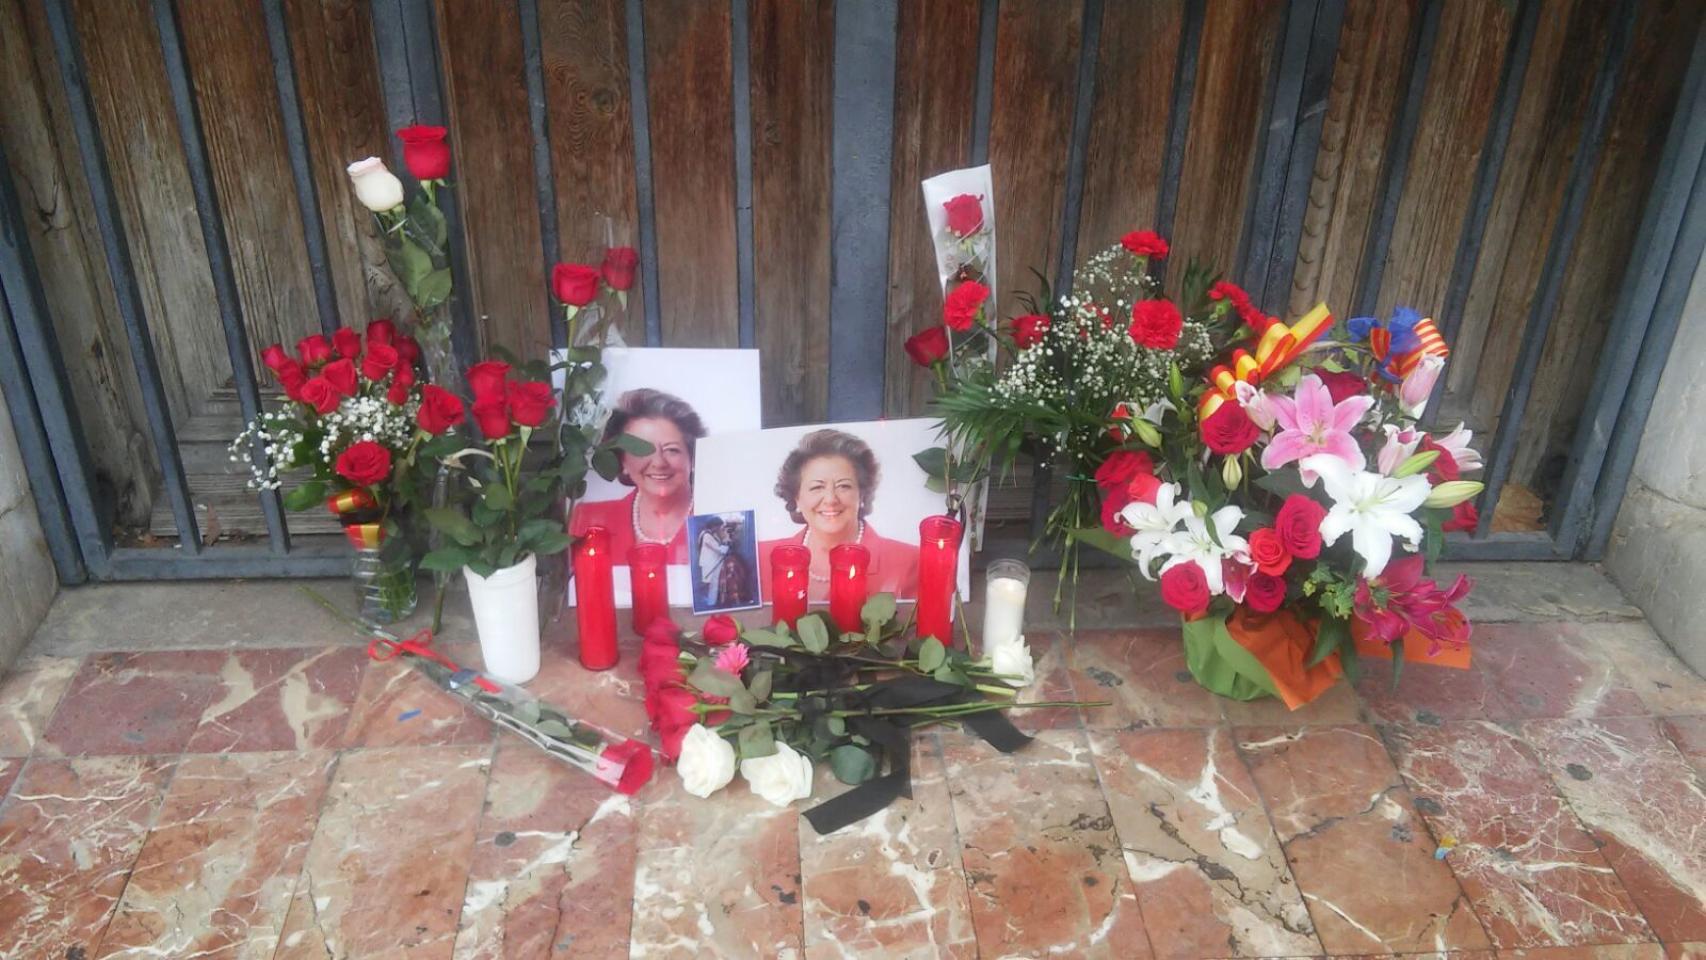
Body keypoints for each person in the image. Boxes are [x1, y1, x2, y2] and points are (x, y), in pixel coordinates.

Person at [757, 429, 919, 602]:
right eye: (817, 487)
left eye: (843, 486)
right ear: (796, 497)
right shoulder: (760, 559)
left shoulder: (909, 562)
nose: (831, 499)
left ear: (862, 494)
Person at [569, 388, 706, 565]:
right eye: (642, 450)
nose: (659, 463)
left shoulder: (724, 518)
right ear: (623, 461)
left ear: (692, 457)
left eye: (672, 450)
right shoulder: (589, 521)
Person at [696, 517, 730, 608]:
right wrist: (727, 543)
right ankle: (711, 604)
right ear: (714, 526)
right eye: (719, 526)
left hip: (711, 562)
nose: (720, 528)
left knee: (712, 584)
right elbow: (719, 549)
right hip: (710, 563)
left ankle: (711, 602)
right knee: (712, 584)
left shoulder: (707, 534)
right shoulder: (707, 536)